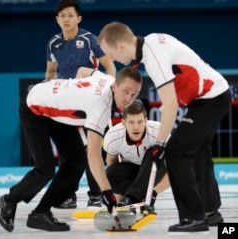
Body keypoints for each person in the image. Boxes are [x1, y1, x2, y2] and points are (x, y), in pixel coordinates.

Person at [97, 22, 231, 232]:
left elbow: (170, 104)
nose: (112, 59)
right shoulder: (151, 44)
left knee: (175, 151)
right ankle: (210, 213)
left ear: (121, 46)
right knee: (198, 153)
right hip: (208, 98)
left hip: (211, 98)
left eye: (110, 53)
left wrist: (159, 143)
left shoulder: (153, 56)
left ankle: (193, 218)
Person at [0, 66, 142, 232]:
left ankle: (41, 213)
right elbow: (94, 155)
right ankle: (8, 201)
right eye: (126, 91)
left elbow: (83, 70)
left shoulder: (106, 79)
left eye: (134, 95)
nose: (128, 99)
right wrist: (107, 193)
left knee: (76, 159)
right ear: (115, 86)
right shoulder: (100, 106)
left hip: (53, 105)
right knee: (45, 170)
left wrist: (73, 93)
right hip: (35, 108)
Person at [45, 0, 116, 209]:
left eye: (70, 15)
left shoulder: (89, 40)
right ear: (57, 19)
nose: (66, 19)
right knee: (69, 151)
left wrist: (103, 89)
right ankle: (68, 195)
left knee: (91, 148)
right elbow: (50, 73)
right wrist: (46, 90)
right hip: (66, 103)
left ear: (78, 18)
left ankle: (96, 193)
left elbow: (111, 69)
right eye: (62, 16)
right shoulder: (53, 43)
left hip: (90, 100)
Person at [103, 101, 170, 213]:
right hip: (131, 171)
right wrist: (120, 193)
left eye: (140, 122)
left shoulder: (160, 132)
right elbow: (112, 163)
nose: (136, 127)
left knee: (155, 151)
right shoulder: (113, 136)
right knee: (110, 172)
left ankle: (133, 198)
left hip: (154, 172)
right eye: (131, 122)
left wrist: (153, 194)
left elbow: (174, 170)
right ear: (123, 123)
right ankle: (128, 199)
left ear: (146, 121)